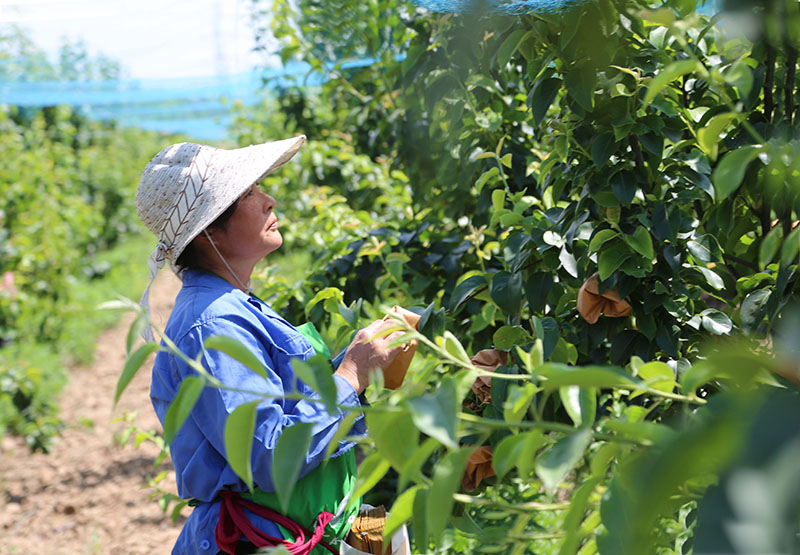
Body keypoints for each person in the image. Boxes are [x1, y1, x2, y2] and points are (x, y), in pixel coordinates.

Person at [135, 136, 405, 555]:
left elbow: (282, 405)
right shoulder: (214, 325)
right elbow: (270, 454)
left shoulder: (233, 305)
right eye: (247, 194)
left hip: (293, 533)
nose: (268, 199)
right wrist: (349, 376)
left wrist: (358, 361)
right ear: (208, 233)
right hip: (258, 541)